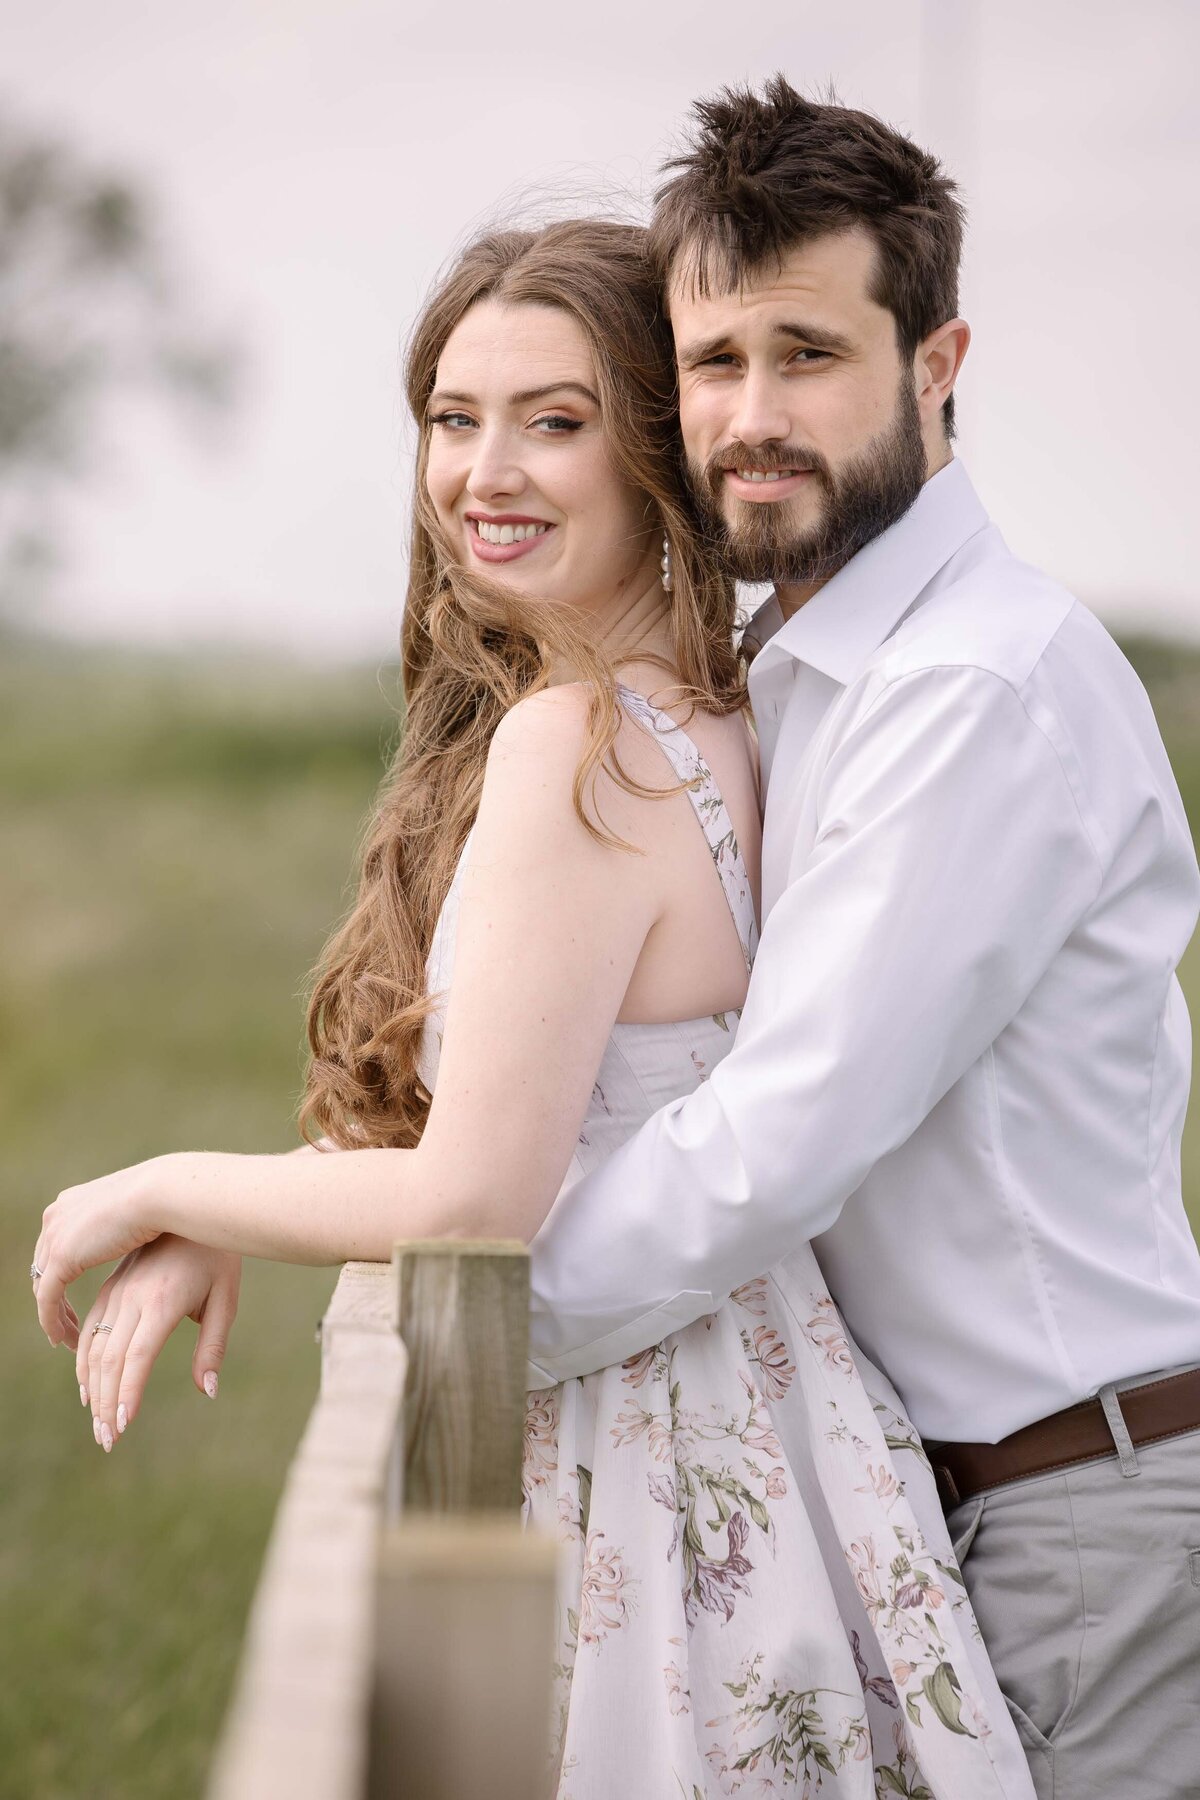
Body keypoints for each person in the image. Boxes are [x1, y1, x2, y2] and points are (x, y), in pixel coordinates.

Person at [31, 219, 1036, 1799]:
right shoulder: (715, 712)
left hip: (640, 1468)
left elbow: (477, 1193)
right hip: (779, 1439)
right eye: (454, 417)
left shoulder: (576, 747)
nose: (485, 472)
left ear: (654, 448)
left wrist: (150, 1185)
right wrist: (267, 1197)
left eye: (553, 422)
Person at [515, 81, 1200, 1800]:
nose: (751, 416)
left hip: (1080, 1515)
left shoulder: (973, 686)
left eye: (808, 354)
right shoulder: (804, 674)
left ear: (938, 361)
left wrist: (470, 1299)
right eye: (713, 361)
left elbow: (775, 1141)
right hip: (928, 1498)